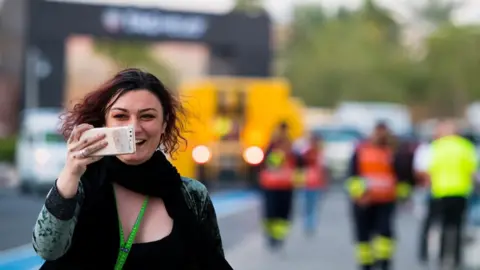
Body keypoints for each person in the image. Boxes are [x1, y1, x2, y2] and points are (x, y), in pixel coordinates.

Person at [32, 68, 233, 269]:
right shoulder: (79, 186)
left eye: (147, 117)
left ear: (164, 125)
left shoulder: (192, 196)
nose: (134, 128)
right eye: (121, 116)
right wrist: (71, 172)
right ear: (104, 123)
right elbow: (48, 249)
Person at [345, 121, 411, 270]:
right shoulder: (361, 152)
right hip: (364, 201)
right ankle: (366, 263)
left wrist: (403, 196)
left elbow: (402, 177)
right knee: (363, 235)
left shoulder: (393, 152)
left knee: (385, 232)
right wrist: (359, 195)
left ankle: (384, 262)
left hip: (385, 200)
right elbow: (352, 177)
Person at [425, 120, 477, 268]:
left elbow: (428, 170)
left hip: (440, 191)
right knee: (458, 225)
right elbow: (472, 171)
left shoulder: (437, 146)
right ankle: (456, 257)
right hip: (460, 192)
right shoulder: (466, 147)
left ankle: (442, 257)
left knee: (442, 225)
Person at [259, 121, 295, 250]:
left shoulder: (291, 147)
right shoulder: (272, 147)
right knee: (271, 212)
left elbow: (299, 164)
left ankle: (279, 237)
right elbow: (267, 162)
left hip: (286, 185)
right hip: (272, 185)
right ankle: (271, 236)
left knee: (283, 213)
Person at [298, 132, 327, 235]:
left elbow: (323, 170)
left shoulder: (320, 154)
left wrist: (324, 183)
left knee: (313, 205)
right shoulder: (305, 153)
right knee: (306, 205)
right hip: (305, 183)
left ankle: (311, 224)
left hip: (315, 184)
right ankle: (307, 223)